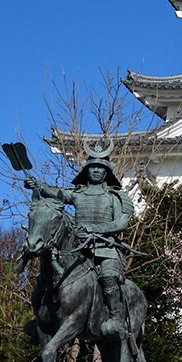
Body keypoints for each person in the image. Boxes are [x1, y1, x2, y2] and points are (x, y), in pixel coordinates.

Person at [24, 142, 134, 336]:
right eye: (93, 167)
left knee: (108, 277)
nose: (96, 171)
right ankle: (41, 318)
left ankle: (116, 318)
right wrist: (38, 186)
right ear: (87, 170)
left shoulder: (115, 197)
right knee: (47, 271)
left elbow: (122, 223)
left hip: (105, 248)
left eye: (100, 168)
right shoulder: (78, 194)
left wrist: (95, 228)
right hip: (77, 248)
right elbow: (57, 193)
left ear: (107, 172)